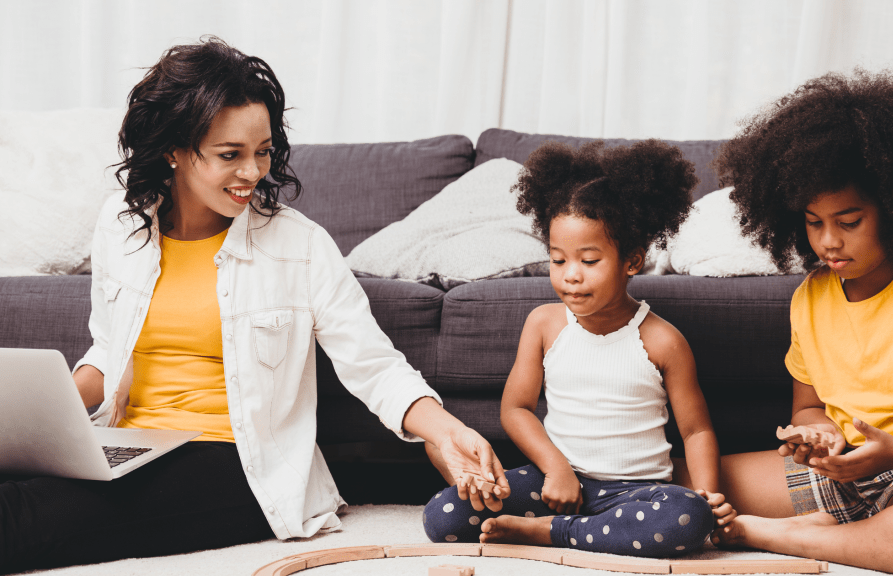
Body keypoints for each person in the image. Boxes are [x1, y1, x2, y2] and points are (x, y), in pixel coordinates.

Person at [0, 37, 508, 573]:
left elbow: (374, 365)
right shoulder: (120, 224)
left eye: (263, 150)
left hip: (237, 463)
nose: (253, 172)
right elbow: (109, 348)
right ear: (173, 149)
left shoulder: (298, 244)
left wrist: (448, 431)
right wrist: (39, 418)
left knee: (20, 519)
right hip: (125, 442)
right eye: (230, 155)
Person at [692, 69, 893, 575]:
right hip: (846, 470)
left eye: (848, 222)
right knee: (676, 479)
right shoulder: (811, 296)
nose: (828, 242)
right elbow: (808, 408)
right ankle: (855, 535)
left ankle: (799, 540)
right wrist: (821, 438)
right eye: (813, 222)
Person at [422, 139, 736, 558]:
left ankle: (553, 533)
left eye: (589, 261)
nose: (571, 276)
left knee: (687, 518)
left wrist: (707, 494)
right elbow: (515, 410)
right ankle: (576, 526)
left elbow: (696, 430)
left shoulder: (663, 340)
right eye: (558, 260)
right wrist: (556, 469)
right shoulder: (544, 324)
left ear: (632, 260)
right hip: (554, 482)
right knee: (442, 517)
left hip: (637, 493)